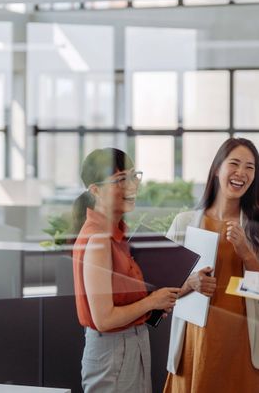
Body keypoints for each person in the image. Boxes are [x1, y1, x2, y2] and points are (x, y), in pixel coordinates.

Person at [164, 138, 259, 393]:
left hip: (247, 346)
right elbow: (159, 292)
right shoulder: (184, 223)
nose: (242, 172)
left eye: (250, 167)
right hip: (197, 345)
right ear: (217, 168)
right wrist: (190, 283)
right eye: (235, 164)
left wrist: (246, 253)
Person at [72, 148, 180, 393]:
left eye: (133, 176)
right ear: (95, 190)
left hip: (130, 344)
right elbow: (104, 319)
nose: (132, 185)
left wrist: (155, 302)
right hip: (113, 350)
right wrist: (151, 302)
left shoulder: (116, 233)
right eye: (120, 180)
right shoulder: (99, 239)